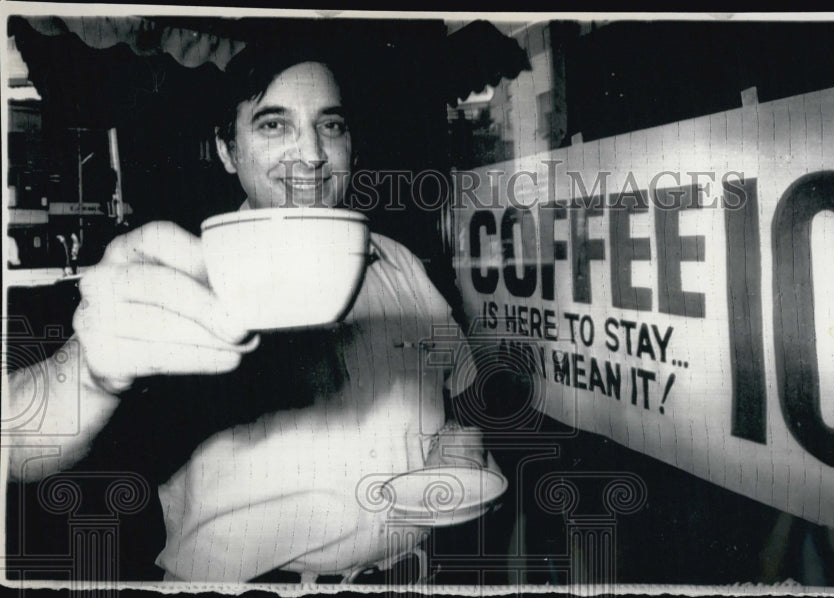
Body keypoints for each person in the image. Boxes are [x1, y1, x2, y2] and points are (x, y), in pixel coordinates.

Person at [6, 44, 487, 582]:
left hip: (407, 577)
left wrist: (458, 444)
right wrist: (86, 373)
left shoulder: (402, 265)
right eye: (274, 125)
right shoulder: (183, 276)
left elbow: (460, 393)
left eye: (331, 126)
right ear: (227, 151)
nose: (310, 153)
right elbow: (22, 450)